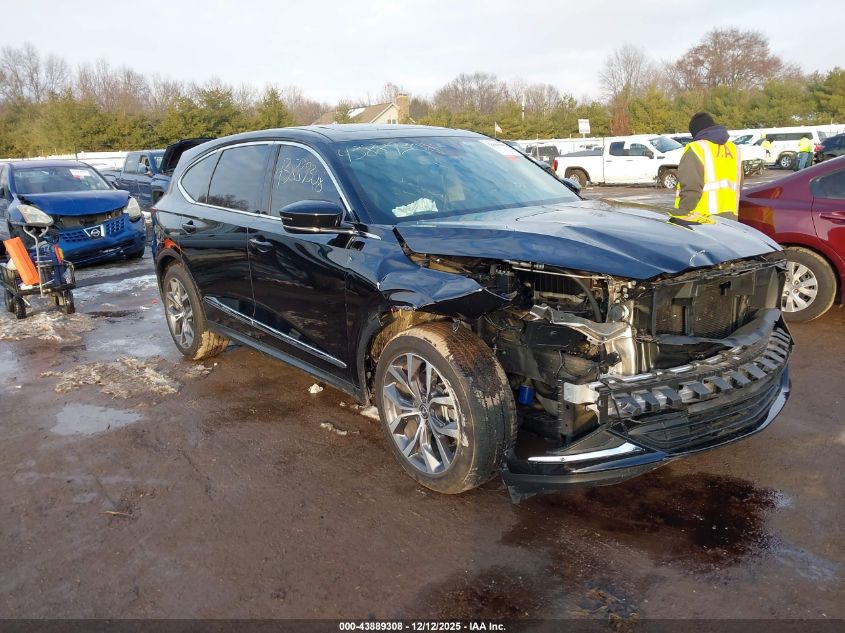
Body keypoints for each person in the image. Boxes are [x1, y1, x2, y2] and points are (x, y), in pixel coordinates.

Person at [672, 112, 743, 224]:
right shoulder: (734, 149)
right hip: (730, 220)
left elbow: (691, 188)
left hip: (701, 221)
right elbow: (738, 185)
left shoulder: (696, 149)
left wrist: (681, 216)